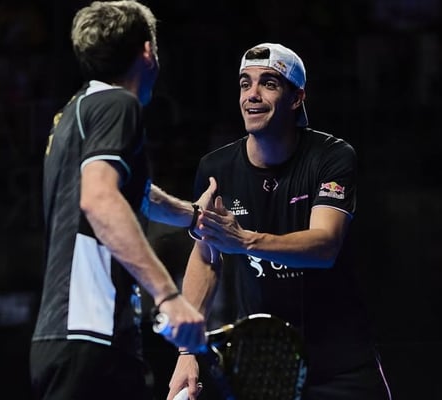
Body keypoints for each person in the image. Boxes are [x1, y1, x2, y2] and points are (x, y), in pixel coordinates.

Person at [167, 43, 392, 400]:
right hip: (266, 365)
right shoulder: (215, 168)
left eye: (268, 83)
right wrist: (186, 351)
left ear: (296, 98)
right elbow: (206, 257)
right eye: (245, 83)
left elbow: (325, 245)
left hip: (342, 362)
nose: (252, 95)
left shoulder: (332, 157)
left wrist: (244, 240)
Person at [29, 2, 215, 399]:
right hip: (91, 337)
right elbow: (100, 199)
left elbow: (136, 192)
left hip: (69, 337)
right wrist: (169, 296)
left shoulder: (74, 113)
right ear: (147, 51)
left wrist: (193, 215)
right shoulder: (118, 104)